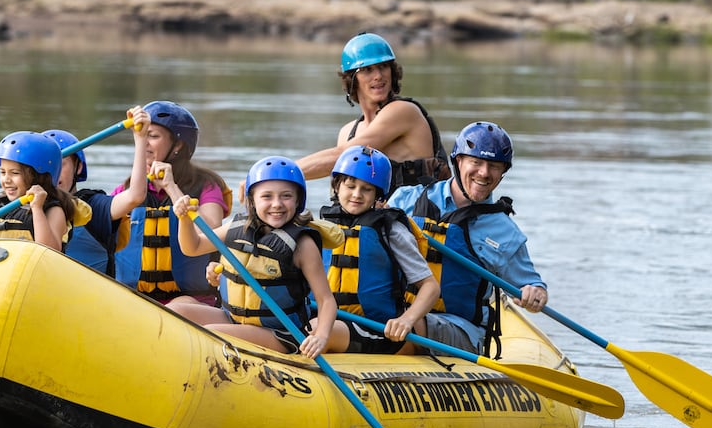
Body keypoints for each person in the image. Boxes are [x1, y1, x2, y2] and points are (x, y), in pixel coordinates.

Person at [387, 120, 547, 355]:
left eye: (494, 166)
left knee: (407, 324)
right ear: (458, 161)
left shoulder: (506, 232)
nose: (484, 172)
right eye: (476, 162)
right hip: (396, 312)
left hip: (459, 330)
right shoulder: (405, 200)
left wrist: (536, 293)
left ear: (503, 172)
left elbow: (533, 287)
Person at [163, 155, 338, 357]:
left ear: (298, 200)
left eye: (286, 196)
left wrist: (321, 336)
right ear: (252, 200)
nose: (277, 204)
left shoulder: (303, 245)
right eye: (267, 196)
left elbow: (326, 300)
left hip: (280, 333)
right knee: (173, 314)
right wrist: (184, 219)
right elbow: (192, 247)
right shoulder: (236, 228)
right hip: (233, 318)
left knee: (209, 335)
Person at [317, 145, 440, 355]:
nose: (357, 194)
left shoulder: (391, 231)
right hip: (330, 320)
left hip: (376, 329)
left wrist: (406, 319)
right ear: (337, 187)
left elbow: (430, 287)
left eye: (366, 189)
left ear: (378, 194)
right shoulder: (323, 226)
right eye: (351, 186)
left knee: (312, 330)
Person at [296, 32, 450, 195]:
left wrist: (279, 172)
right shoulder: (348, 133)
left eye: (383, 67)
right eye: (367, 70)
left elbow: (343, 156)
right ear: (352, 79)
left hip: (416, 218)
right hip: (370, 219)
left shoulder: (403, 111)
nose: (378, 76)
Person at [112, 101, 231, 304]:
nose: (145, 143)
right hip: (133, 299)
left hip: (192, 301)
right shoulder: (128, 190)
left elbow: (210, 231)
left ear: (178, 145)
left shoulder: (206, 184)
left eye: (153, 136)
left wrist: (171, 187)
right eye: (143, 136)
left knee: (178, 308)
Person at [0, 130, 78, 253]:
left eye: (15, 173)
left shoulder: (53, 210)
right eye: (3, 172)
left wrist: (37, 209)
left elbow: (49, 252)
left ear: (39, 177)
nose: (6, 180)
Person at [45, 127, 148, 275]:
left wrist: (141, 138)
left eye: (60, 164)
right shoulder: (18, 207)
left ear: (78, 167)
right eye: (46, 165)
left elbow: (135, 196)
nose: (53, 172)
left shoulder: (94, 206)